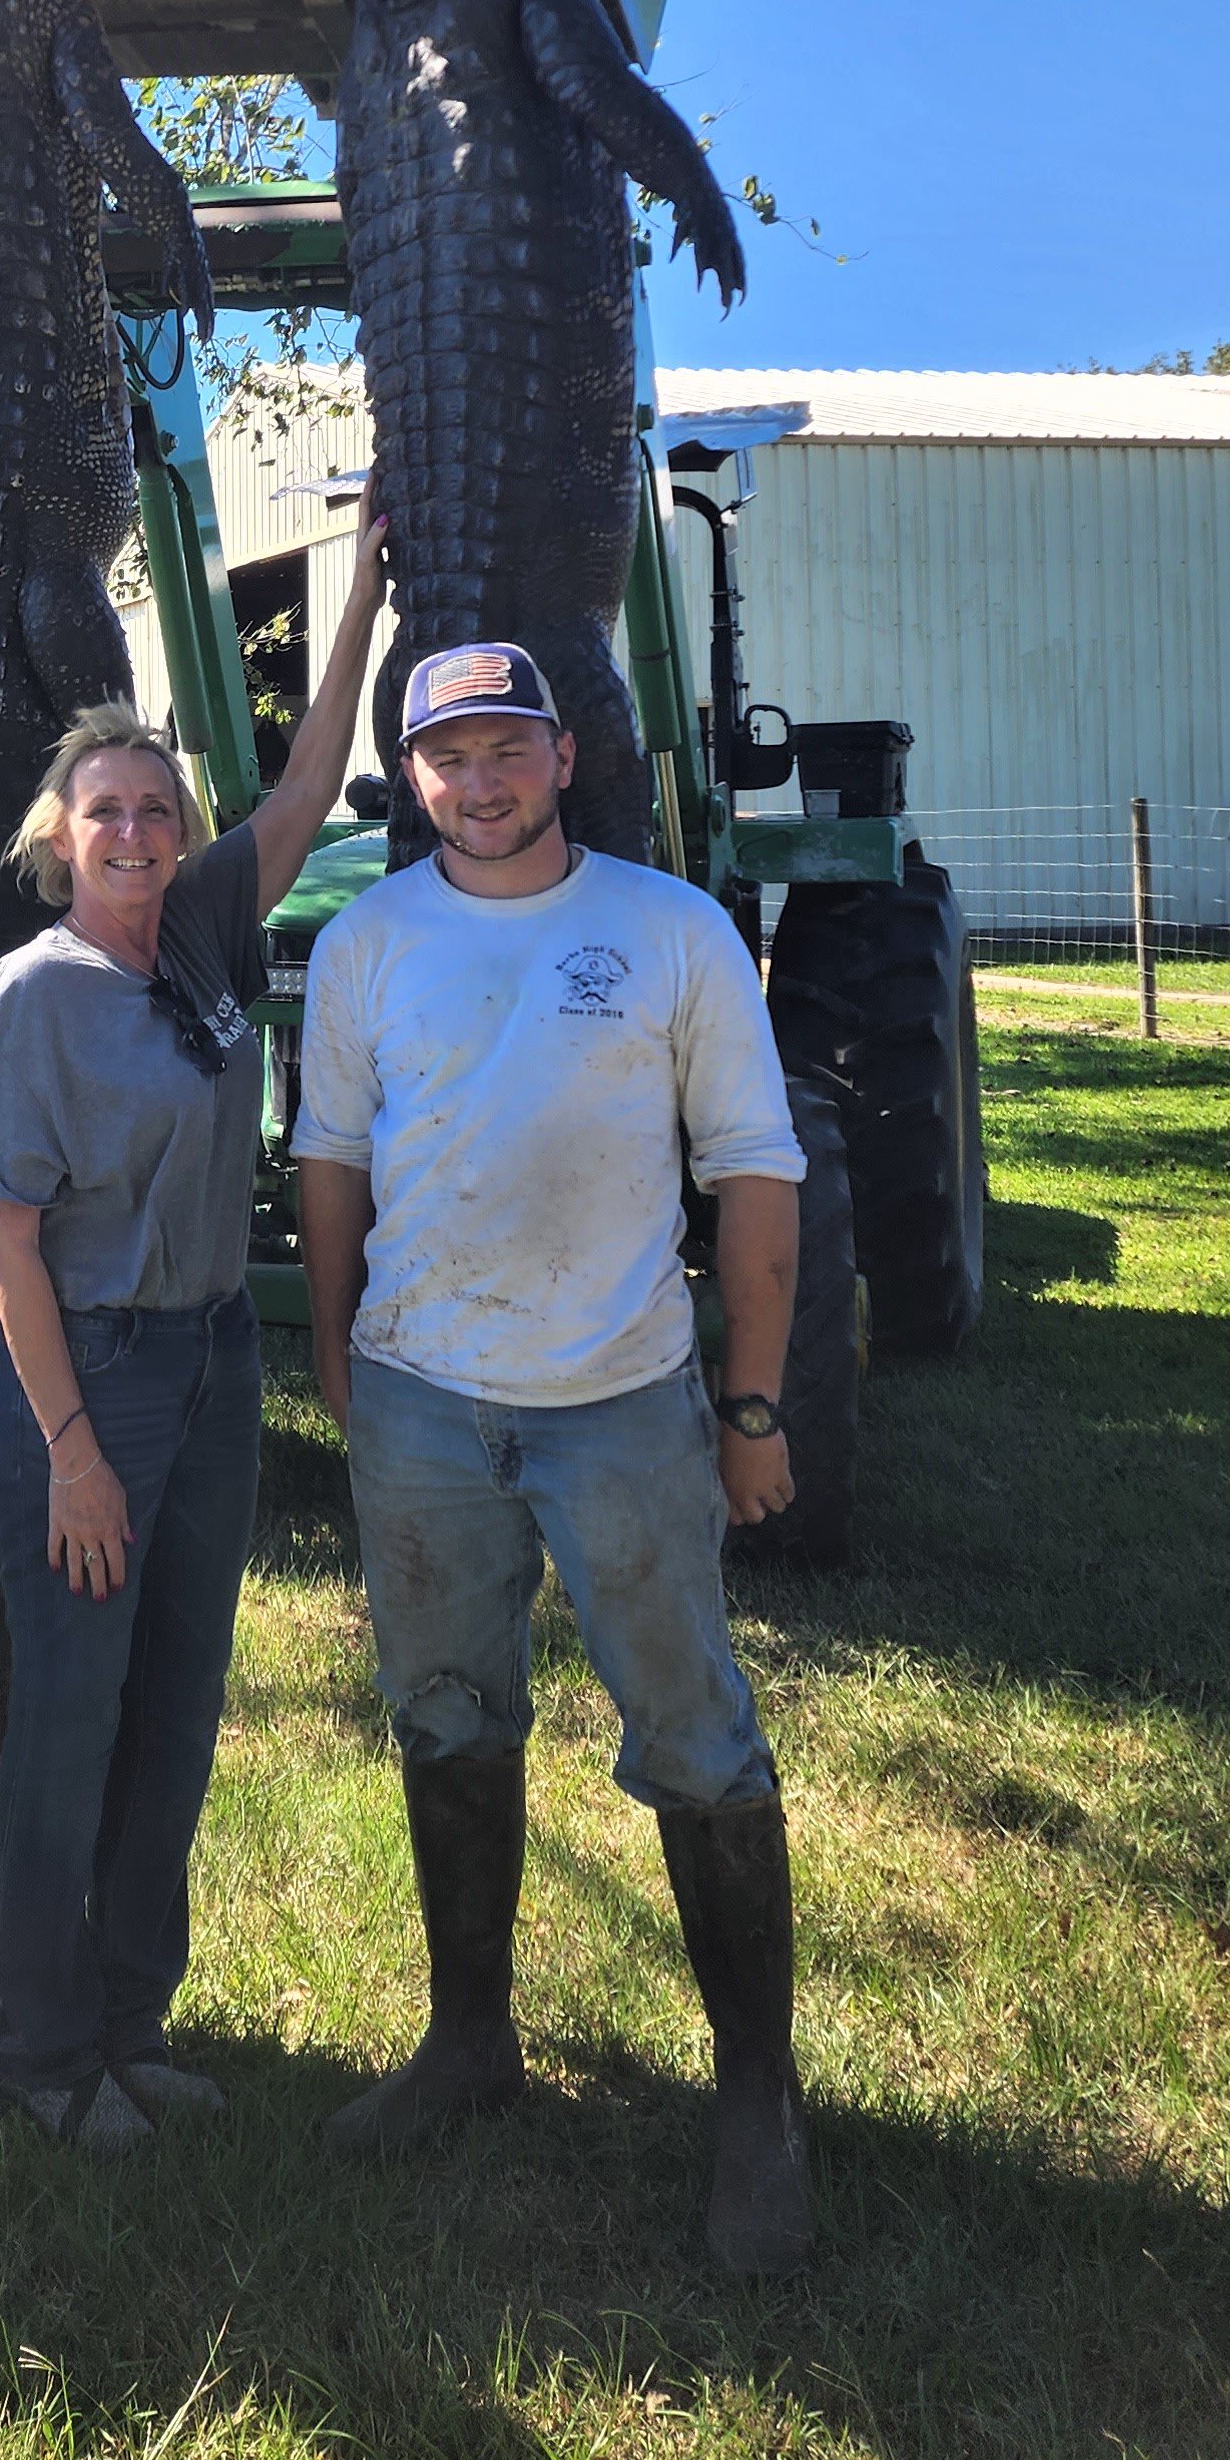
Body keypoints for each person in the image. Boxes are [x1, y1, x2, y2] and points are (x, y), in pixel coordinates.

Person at [293, 640, 813, 2270]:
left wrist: (751, 1408)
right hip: (424, 1404)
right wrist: (336, 1357)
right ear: (416, 780)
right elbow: (330, 1160)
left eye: (507, 748)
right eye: (448, 759)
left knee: (693, 1731)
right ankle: (470, 2039)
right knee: (445, 1713)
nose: (481, 781)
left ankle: (757, 2098)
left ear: (566, 755)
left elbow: (753, 1175)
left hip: (623, 1403)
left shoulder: (671, 931)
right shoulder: (366, 944)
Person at [0, 505, 392, 2154]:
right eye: (104, 812)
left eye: (154, 809)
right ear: (62, 837)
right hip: (93, 1380)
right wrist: (65, 1456)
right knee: (70, 1715)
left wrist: (361, 617)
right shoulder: (37, 993)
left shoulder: (199, 936)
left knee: (177, 1701)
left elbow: (313, 785)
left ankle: (134, 2019)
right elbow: (0, 1235)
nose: (133, 832)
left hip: (208, 1365)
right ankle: (41, 2050)